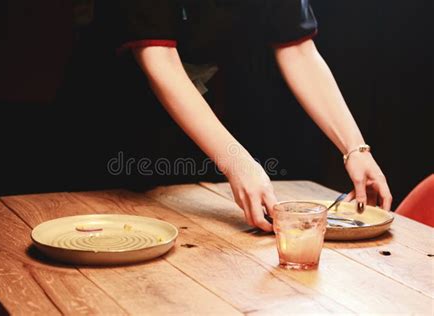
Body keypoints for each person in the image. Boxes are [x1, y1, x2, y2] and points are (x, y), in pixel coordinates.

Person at [73, 0, 392, 232]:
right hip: (114, 110)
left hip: (199, 112)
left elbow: (297, 48)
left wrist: (355, 148)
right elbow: (159, 58)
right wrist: (236, 160)